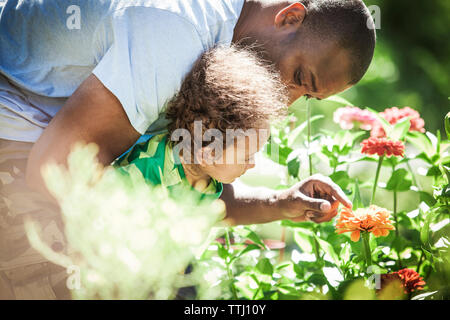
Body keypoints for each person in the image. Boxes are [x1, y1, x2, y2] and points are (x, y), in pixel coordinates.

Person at [0, 0, 375, 299]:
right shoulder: (178, 33)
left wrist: (281, 202)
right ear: (290, 17)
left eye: (306, 95)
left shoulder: (235, 34)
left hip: (64, 142)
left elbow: (184, 186)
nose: (285, 99)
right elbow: (56, 171)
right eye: (299, 78)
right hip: (21, 130)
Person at [114, 45, 287, 206]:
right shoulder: (143, 173)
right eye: (246, 157)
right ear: (208, 155)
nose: (252, 164)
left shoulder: (209, 176)